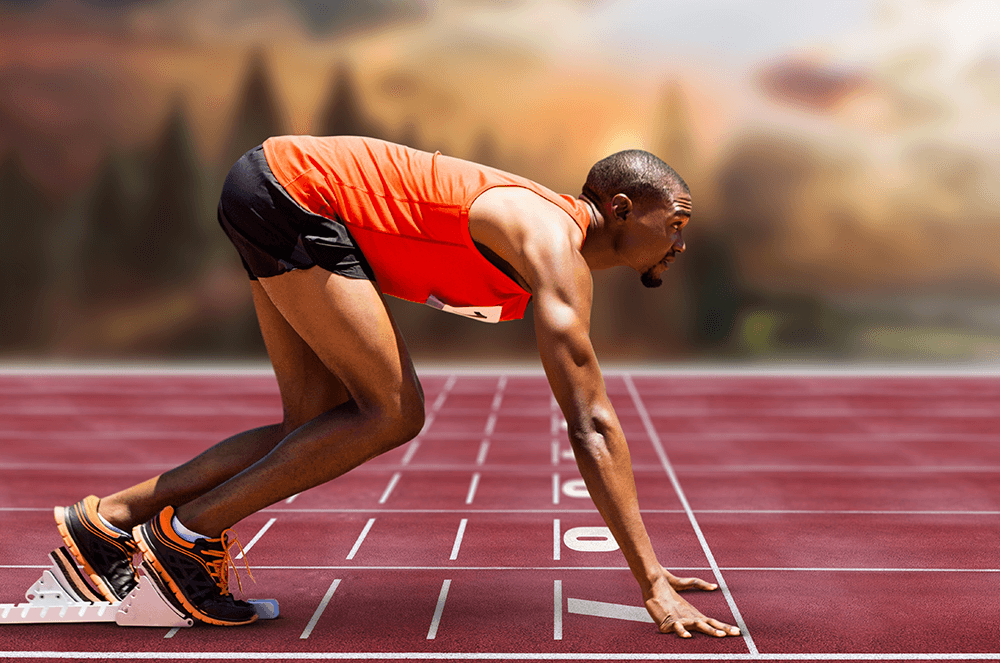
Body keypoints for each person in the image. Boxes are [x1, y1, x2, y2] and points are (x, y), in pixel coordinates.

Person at [54, 135, 740, 638]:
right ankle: (186, 536)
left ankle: (108, 520)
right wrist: (650, 578)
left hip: (276, 187)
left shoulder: (545, 238)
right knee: (393, 411)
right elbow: (588, 420)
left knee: (316, 422)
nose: (681, 243)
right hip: (294, 192)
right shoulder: (553, 241)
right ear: (621, 208)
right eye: (675, 224)